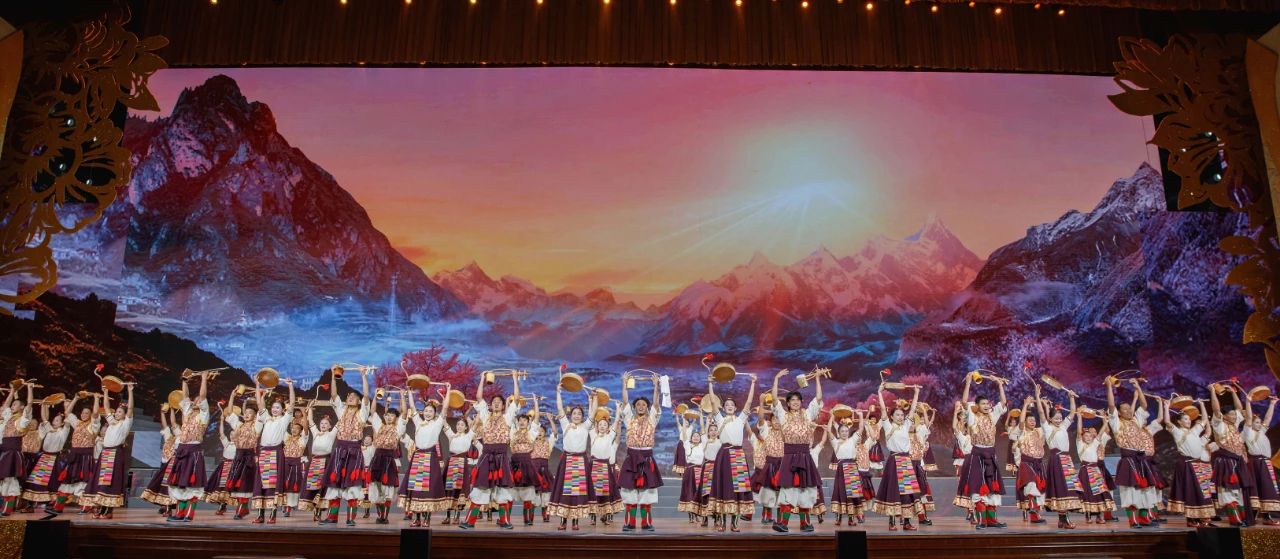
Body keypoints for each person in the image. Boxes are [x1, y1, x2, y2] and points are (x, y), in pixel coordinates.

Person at [459, 371, 521, 529]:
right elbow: (479, 397)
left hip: (501, 458)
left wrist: (514, 378)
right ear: (490, 405)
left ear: (503, 405)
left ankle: (504, 521)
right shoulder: (485, 416)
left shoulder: (507, 417)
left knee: (502, 491)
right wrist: (481, 379)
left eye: (499, 402)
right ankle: (470, 521)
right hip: (487, 457)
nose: (497, 404)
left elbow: (516, 397)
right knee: (480, 488)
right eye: (494, 402)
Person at [769, 368, 823, 533]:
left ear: (801, 401)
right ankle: (783, 523)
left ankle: (805, 523)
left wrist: (818, 378)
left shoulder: (807, 414)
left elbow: (818, 398)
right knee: (788, 489)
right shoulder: (783, 416)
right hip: (789, 457)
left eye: (798, 399)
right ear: (787, 403)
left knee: (806, 489)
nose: (795, 402)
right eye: (792, 400)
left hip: (805, 456)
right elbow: (774, 399)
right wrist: (776, 378)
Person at [956, 372, 1009, 529]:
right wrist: (968, 382)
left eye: (988, 403)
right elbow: (964, 402)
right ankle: (982, 521)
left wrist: (999, 384)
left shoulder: (992, 416)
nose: (986, 406)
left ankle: (992, 520)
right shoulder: (972, 417)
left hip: (990, 455)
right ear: (977, 406)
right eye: (983, 404)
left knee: (992, 488)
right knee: (978, 488)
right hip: (977, 455)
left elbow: (1003, 402)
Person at [1107, 377, 1161, 528]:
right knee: (1130, 491)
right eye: (1124, 409)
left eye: (1129, 408)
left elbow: (1144, 405)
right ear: (1119, 413)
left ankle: (1144, 518)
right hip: (1128, 460)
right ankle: (1133, 520)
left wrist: (1137, 387)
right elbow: (1111, 405)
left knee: (1146, 490)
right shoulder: (1117, 423)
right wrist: (1109, 386)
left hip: (1141, 460)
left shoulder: (1136, 420)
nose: (1128, 411)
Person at [705, 372, 757, 532]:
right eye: (726, 404)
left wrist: (753, 383)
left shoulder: (740, 419)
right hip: (724, 456)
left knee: (738, 489)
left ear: (735, 408)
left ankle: (734, 523)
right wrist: (710, 383)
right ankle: (721, 522)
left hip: (738, 456)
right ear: (724, 407)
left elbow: (749, 402)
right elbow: (713, 402)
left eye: (731, 405)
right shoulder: (720, 419)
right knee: (722, 486)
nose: (729, 406)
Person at [322, 369, 372, 526]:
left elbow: (366, 395)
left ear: (359, 402)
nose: (350, 398)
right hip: (339, 450)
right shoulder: (341, 410)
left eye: (354, 397)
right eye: (349, 396)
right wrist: (333, 376)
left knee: (353, 484)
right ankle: (332, 517)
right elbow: (334, 394)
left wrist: (363, 376)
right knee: (334, 483)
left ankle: (351, 518)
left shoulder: (362, 413)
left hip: (354, 451)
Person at [870, 384, 924, 531]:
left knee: (907, 492)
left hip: (906, 461)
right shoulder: (888, 425)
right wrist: (879, 392)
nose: (901, 417)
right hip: (894, 461)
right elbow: (883, 409)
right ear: (892, 417)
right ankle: (892, 521)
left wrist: (916, 393)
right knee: (893, 491)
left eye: (902, 415)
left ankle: (906, 522)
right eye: (898, 415)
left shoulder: (906, 425)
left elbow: (912, 410)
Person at [618, 372, 662, 532]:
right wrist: (624, 384)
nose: (641, 406)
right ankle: (630, 523)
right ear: (634, 408)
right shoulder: (629, 419)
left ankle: (645, 523)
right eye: (638, 405)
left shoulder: (652, 419)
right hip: (631, 459)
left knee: (647, 493)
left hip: (646, 459)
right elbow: (624, 401)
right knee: (629, 492)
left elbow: (656, 404)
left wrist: (656, 386)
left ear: (647, 408)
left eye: (644, 405)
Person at [399, 391, 450, 527]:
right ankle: (417, 519)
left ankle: (427, 519)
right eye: (426, 411)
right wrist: (409, 392)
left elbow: (445, 408)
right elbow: (412, 407)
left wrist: (448, 392)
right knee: (415, 489)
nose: (427, 413)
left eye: (430, 411)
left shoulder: (437, 424)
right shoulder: (418, 423)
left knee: (428, 490)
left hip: (430, 458)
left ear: (434, 413)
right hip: (417, 458)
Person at [549, 383, 596, 530]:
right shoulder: (565, 424)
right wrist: (558, 392)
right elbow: (560, 408)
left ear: (582, 417)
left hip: (581, 462)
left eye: (579, 414)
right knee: (565, 491)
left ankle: (575, 522)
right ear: (571, 416)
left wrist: (594, 398)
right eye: (574, 413)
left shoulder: (585, 426)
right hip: (567, 461)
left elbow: (593, 413)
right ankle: (563, 521)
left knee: (578, 492)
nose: (576, 415)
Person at [1034, 384, 1082, 529]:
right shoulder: (1047, 428)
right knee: (1061, 489)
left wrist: (1071, 397)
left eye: (1060, 418)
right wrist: (1037, 397)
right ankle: (1064, 520)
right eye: (1056, 418)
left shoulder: (1063, 426)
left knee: (1068, 488)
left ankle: (1062, 520)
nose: (1059, 420)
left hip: (1067, 460)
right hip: (1056, 461)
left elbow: (1072, 413)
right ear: (1050, 419)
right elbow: (1041, 413)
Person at [166, 371, 212, 522]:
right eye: (195, 400)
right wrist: (185, 380)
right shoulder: (188, 411)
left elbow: (203, 395)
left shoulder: (203, 414)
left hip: (193, 451)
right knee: (179, 483)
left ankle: (189, 514)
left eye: (198, 400)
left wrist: (204, 378)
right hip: (182, 450)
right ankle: (179, 513)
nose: (196, 401)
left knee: (192, 485)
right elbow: (185, 396)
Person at [1210, 382, 1254, 527]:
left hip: (1238, 461)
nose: (1235, 416)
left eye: (1235, 415)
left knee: (1239, 491)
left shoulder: (1234, 425)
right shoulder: (1219, 424)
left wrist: (1234, 392)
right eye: (1232, 414)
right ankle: (1235, 519)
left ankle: (1242, 518)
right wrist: (1212, 391)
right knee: (1228, 491)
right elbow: (1216, 410)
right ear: (1224, 416)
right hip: (1225, 461)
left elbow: (1240, 409)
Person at [1165, 398, 1215, 527]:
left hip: (1199, 465)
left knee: (1202, 492)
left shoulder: (1194, 431)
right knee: (1190, 491)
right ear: (1179, 422)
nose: (1188, 421)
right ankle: (1191, 519)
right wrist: (1166, 407)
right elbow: (1167, 422)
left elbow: (1204, 421)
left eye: (1189, 419)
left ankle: (1202, 517)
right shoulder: (1177, 432)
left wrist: (1202, 405)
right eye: (1185, 419)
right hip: (1188, 465)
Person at [87, 384, 133, 519]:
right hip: (105, 453)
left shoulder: (125, 423)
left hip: (115, 453)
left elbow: (130, 408)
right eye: (116, 412)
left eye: (119, 412)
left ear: (124, 415)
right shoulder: (112, 422)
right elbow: (107, 407)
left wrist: (130, 391)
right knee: (101, 481)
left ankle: (108, 510)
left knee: (111, 481)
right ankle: (100, 507)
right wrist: (106, 392)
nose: (116, 413)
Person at [50, 393, 97, 515]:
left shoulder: (93, 425)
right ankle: (58, 507)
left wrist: (96, 399)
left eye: (87, 413)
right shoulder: (77, 423)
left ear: (91, 415)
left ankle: (86, 507)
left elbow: (96, 414)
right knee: (67, 481)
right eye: (83, 413)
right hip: (74, 457)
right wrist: (75, 398)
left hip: (86, 458)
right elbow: (67, 412)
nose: (84, 415)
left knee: (84, 481)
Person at [367, 388, 406, 525]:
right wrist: (375, 396)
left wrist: (402, 395)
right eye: (387, 415)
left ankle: (385, 516)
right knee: (376, 486)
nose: (389, 417)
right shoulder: (379, 426)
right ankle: (380, 516)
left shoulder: (398, 428)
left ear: (396, 418)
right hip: (377, 459)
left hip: (389, 460)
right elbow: (372, 411)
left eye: (392, 415)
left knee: (388, 487)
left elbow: (404, 413)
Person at [26, 397, 69, 517]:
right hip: (44, 458)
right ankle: (30, 504)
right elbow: (45, 418)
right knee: (35, 482)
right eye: (54, 420)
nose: (54, 421)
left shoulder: (63, 431)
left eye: (58, 420)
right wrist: (44, 404)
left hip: (54, 460)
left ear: (62, 423)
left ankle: (51, 504)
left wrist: (66, 407)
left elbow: (67, 420)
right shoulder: (49, 429)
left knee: (51, 483)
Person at [1075, 412, 1116, 524]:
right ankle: (1088, 515)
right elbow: (1078, 431)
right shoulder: (1080, 444)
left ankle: (1099, 516)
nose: (1088, 437)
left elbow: (1101, 432)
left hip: (1095, 471)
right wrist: (1079, 417)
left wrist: (1106, 420)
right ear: (1082, 437)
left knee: (1099, 493)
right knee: (1087, 493)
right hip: (1085, 471)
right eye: (1086, 436)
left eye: (1090, 436)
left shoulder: (1094, 444)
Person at [1244, 394, 1279, 524]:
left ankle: (1266, 516)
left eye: (1259, 423)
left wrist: (1272, 404)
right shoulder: (1248, 432)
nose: (1260, 425)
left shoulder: (1261, 432)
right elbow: (1249, 418)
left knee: (1267, 488)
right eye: (1257, 423)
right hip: (1256, 463)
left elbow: (1268, 419)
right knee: (1256, 488)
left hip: (1266, 463)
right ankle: (1252, 516)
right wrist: (1248, 402)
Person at [224, 397, 261, 520]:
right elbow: (229, 412)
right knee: (237, 484)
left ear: (255, 416)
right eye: (245, 412)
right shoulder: (239, 425)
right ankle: (243, 508)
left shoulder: (257, 426)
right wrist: (232, 396)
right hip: (238, 456)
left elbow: (261, 411)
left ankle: (241, 509)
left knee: (244, 484)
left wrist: (258, 398)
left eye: (250, 413)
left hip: (248, 457)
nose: (247, 414)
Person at [1012, 397, 1047, 524]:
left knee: (1039, 489)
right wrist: (1025, 405)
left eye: (1034, 420)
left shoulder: (1038, 431)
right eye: (1030, 420)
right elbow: (1021, 421)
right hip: (1027, 463)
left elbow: (1045, 421)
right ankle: (1032, 511)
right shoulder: (1022, 432)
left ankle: (1035, 515)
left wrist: (1045, 407)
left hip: (1039, 464)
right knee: (1031, 486)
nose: (1032, 422)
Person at [0, 383, 33, 516]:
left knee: (10, 480)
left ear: (21, 407)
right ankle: (5, 508)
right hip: (4, 451)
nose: (12, 406)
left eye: (15, 404)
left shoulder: (22, 420)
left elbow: (29, 404)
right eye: (13, 404)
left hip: (12, 453)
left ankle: (8, 509)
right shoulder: (9, 417)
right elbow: (5, 407)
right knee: (4, 480)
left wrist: (30, 389)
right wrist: (12, 390)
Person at [588, 402, 623, 525]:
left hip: (605, 467)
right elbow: (591, 417)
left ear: (608, 427)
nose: (602, 426)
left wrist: (618, 408)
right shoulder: (593, 435)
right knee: (594, 492)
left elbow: (616, 421)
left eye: (605, 424)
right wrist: (591, 402)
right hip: (594, 467)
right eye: (600, 424)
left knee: (605, 493)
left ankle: (606, 516)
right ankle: (593, 517)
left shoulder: (610, 436)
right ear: (597, 426)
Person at [509, 399, 542, 526]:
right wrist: (509, 403)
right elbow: (510, 416)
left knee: (528, 492)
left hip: (527, 464)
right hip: (514, 463)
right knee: (510, 492)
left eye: (524, 420)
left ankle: (527, 519)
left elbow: (537, 418)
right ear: (517, 422)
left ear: (528, 423)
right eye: (520, 420)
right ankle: (506, 518)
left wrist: (535, 402)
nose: (522, 422)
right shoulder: (513, 432)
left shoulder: (531, 433)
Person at [301, 405, 336, 521]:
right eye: (322, 423)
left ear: (330, 426)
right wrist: (310, 409)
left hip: (325, 462)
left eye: (326, 423)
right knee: (313, 488)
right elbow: (310, 421)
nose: (323, 425)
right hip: (314, 462)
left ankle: (319, 512)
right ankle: (315, 512)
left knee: (322, 488)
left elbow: (340, 422)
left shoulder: (331, 434)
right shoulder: (316, 432)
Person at [140, 405, 178, 513]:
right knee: (161, 485)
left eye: (177, 427)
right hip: (164, 464)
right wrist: (163, 413)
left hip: (173, 465)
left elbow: (173, 423)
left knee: (168, 486)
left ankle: (168, 507)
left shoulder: (181, 439)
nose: (175, 428)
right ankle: (164, 505)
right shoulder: (168, 436)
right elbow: (166, 424)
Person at [829, 412, 864, 526]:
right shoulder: (835, 442)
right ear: (838, 433)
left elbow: (861, 428)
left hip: (852, 468)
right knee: (841, 492)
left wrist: (860, 416)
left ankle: (851, 519)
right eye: (842, 431)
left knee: (852, 494)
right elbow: (829, 431)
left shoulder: (852, 440)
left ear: (848, 432)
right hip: (841, 469)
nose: (844, 433)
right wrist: (831, 417)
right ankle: (838, 518)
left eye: (846, 431)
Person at [441, 414, 476, 525]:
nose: (459, 426)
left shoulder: (468, 436)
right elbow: (445, 424)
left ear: (466, 427)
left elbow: (475, 425)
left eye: (462, 425)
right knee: (449, 489)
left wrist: (477, 413)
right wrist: (443, 416)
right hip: (451, 463)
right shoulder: (452, 435)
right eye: (458, 424)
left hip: (461, 464)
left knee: (459, 490)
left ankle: (456, 516)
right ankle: (447, 516)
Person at [676, 414, 707, 523]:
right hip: (689, 471)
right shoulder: (687, 445)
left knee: (698, 493)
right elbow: (684, 434)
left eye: (698, 436)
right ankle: (691, 516)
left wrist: (702, 414)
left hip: (700, 471)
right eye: (694, 436)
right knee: (690, 492)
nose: (696, 437)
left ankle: (697, 514)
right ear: (691, 438)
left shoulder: (703, 446)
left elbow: (703, 429)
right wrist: (684, 420)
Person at [909, 403, 936, 526]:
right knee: (905, 492)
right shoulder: (904, 433)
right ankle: (905, 519)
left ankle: (922, 517)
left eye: (916, 421)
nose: (914, 423)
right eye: (912, 421)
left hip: (918, 464)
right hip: (906, 465)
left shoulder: (920, 432)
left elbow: (927, 423)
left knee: (921, 491)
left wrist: (924, 411)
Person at [951, 402, 975, 523]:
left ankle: (974, 512)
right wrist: (956, 411)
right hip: (965, 463)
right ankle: (970, 511)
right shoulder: (960, 436)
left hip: (975, 462)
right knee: (966, 487)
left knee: (975, 487)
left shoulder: (975, 436)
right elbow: (954, 426)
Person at [281, 421, 308, 518]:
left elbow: (306, 430)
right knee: (285, 485)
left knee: (293, 485)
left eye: (297, 428)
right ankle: (286, 505)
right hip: (285, 464)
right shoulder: (287, 438)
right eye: (293, 428)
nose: (294, 430)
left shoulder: (302, 440)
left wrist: (305, 416)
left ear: (300, 431)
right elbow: (282, 428)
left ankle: (289, 506)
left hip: (296, 465)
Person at [698, 421, 722, 527]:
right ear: (708, 432)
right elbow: (702, 427)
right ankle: (705, 517)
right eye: (711, 430)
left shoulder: (721, 442)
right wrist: (702, 416)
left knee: (717, 493)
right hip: (707, 467)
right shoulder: (705, 440)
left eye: (715, 430)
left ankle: (717, 518)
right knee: (706, 493)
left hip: (718, 468)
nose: (713, 432)